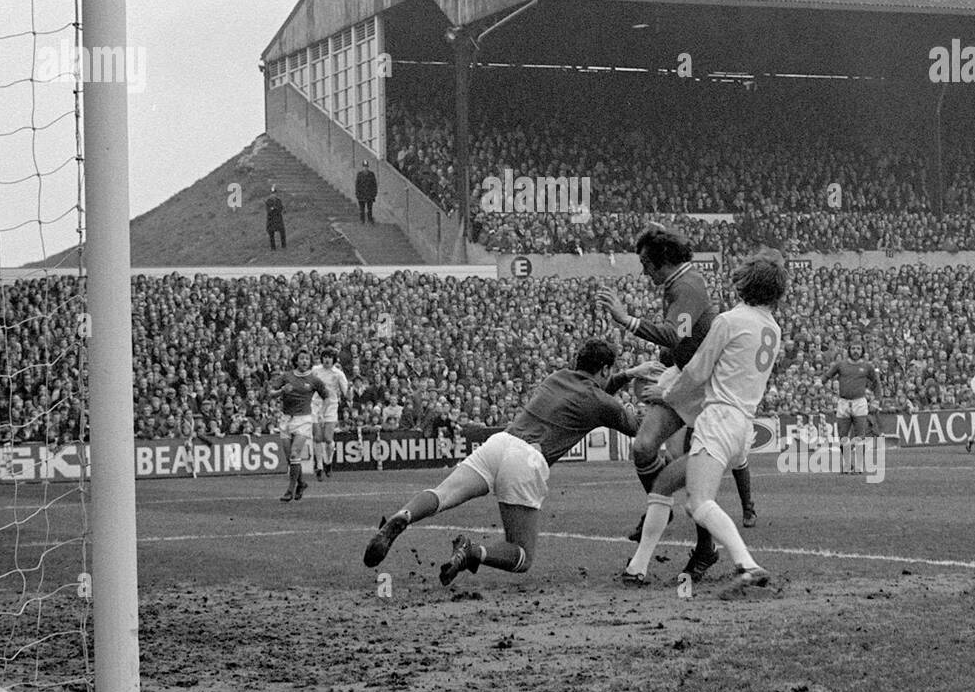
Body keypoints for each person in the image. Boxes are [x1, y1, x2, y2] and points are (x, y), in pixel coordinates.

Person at [363, 339, 640, 584]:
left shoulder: (558, 377)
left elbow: (597, 389)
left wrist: (627, 375)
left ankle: (403, 516)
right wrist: (649, 397)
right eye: (611, 371)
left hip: (499, 443)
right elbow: (636, 426)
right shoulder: (602, 402)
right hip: (526, 459)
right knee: (522, 554)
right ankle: (472, 551)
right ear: (604, 369)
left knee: (442, 494)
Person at [623, 252, 787, 591]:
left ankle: (747, 564)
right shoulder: (773, 328)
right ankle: (637, 567)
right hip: (742, 424)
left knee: (698, 502)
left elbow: (697, 370)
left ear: (744, 283)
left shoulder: (729, 321)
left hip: (718, 419)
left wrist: (665, 394)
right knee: (664, 482)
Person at [596, 226, 757, 566]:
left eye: (645, 262)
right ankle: (662, 507)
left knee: (695, 478)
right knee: (643, 447)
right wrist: (669, 362)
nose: (643, 270)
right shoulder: (677, 284)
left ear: (663, 260)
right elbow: (683, 338)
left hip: (704, 386)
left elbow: (674, 332)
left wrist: (625, 320)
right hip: (685, 374)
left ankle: (704, 549)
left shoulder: (687, 285)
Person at [266, 349, 327, 501]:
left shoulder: (314, 380)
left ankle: (290, 490)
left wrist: (320, 413)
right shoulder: (286, 376)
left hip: (304, 420)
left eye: (307, 358)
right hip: (286, 419)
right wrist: (281, 391)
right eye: (302, 358)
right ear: (296, 360)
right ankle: (301, 483)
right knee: (290, 459)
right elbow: (270, 393)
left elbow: (326, 396)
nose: (305, 361)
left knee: (294, 453)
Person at [822, 342, 881, 474]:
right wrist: (818, 382)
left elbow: (877, 384)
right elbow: (827, 376)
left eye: (858, 348)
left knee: (860, 435)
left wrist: (876, 400)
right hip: (843, 402)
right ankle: (847, 465)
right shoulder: (841, 365)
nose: (855, 351)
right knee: (843, 436)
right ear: (849, 350)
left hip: (859, 402)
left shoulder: (867, 366)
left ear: (862, 351)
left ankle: (859, 466)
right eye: (853, 348)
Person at [309, 346, 350, 479]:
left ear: (334, 360)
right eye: (325, 357)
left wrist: (349, 393)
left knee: (328, 438)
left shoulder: (338, 373)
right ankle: (319, 466)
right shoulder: (315, 370)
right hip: (315, 405)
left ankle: (328, 462)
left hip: (331, 406)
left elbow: (346, 392)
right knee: (317, 437)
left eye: (330, 357)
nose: (327, 360)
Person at [265, 185, 286, 251]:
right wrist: (273, 209)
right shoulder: (268, 201)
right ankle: (273, 248)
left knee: (282, 231)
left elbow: (281, 208)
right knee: (271, 233)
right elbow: (268, 210)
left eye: (274, 193)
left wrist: (274, 208)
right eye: (272, 193)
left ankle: (284, 246)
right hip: (271, 219)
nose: (273, 195)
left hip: (278, 219)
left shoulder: (278, 200)